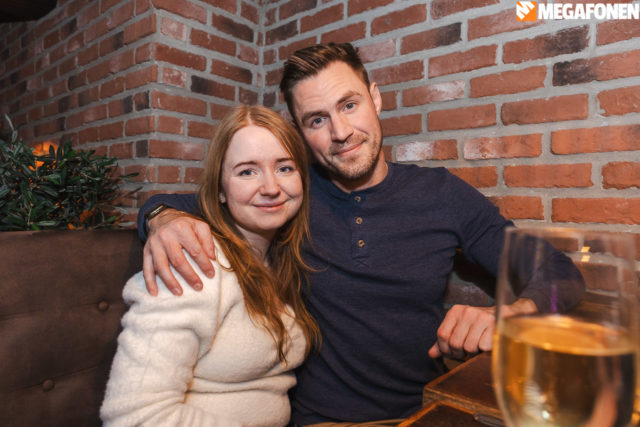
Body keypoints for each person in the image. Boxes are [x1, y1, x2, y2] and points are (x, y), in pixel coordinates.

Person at [136, 43, 581, 425]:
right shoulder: (289, 194)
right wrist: (162, 218)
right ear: (300, 132)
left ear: (375, 98)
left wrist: (510, 314)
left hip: (427, 413)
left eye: (349, 105)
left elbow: (561, 274)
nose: (341, 132)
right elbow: (182, 201)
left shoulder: (442, 194)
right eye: (316, 120)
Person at [101, 105, 320, 426]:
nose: (271, 187)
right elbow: (135, 416)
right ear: (220, 190)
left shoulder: (280, 260)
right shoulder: (194, 260)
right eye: (247, 172)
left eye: (285, 168)